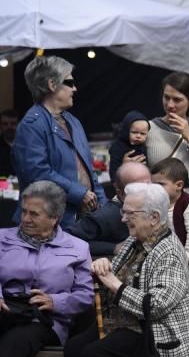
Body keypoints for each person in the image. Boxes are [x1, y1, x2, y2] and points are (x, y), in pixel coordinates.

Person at [39, 183, 189, 357]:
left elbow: (156, 306)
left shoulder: (170, 253)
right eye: (123, 212)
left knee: (95, 355)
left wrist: (115, 285)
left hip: (158, 335)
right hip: (126, 324)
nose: (123, 219)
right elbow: (113, 275)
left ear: (154, 218)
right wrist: (103, 266)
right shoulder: (135, 242)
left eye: (130, 214)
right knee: (76, 347)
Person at [0, 181, 93, 357]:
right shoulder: (2, 239)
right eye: (23, 211)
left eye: (34, 214)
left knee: (17, 341)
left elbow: (85, 294)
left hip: (43, 319)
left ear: (55, 218)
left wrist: (55, 301)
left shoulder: (77, 248)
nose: (25, 219)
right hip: (5, 309)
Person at [12, 56, 105, 228]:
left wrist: (103, 208)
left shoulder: (73, 122)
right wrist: (79, 193)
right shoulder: (31, 126)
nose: (75, 88)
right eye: (69, 82)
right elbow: (37, 173)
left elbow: (89, 172)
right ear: (52, 85)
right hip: (47, 226)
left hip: (80, 221)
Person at [65, 162, 151, 259]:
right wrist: (113, 248)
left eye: (149, 186)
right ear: (121, 193)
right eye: (138, 189)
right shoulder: (107, 215)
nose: (147, 193)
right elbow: (68, 240)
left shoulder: (152, 207)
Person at [151, 158, 189, 260]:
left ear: (179, 185)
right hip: (169, 254)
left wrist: (188, 256)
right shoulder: (156, 204)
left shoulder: (188, 204)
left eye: (160, 184)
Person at [108, 111, 150, 179]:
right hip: (123, 181)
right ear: (126, 131)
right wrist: (123, 165)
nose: (138, 136)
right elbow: (113, 169)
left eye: (142, 133)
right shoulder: (118, 147)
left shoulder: (142, 146)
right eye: (134, 132)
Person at [0, 109, 19, 177]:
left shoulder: (27, 146)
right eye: (5, 124)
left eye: (13, 124)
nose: (9, 127)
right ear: (1, 126)